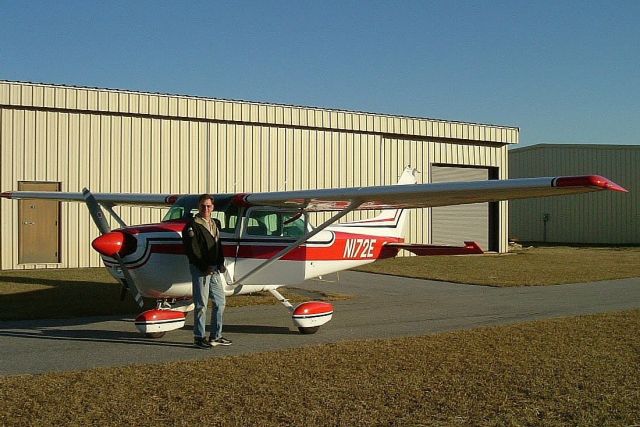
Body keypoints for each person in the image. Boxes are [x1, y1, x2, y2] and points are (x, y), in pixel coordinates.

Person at [183, 194, 232, 349]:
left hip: (215, 269)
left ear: (213, 207)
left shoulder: (215, 223)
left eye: (209, 206)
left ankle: (216, 336)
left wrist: (220, 263)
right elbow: (193, 250)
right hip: (201, 269)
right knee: (201, 304)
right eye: (203, 206)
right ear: (198, 207)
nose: (206, 208)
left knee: (220, 302)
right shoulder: (192, 225)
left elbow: (218, 245)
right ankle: (199, 337)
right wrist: (204, 266)